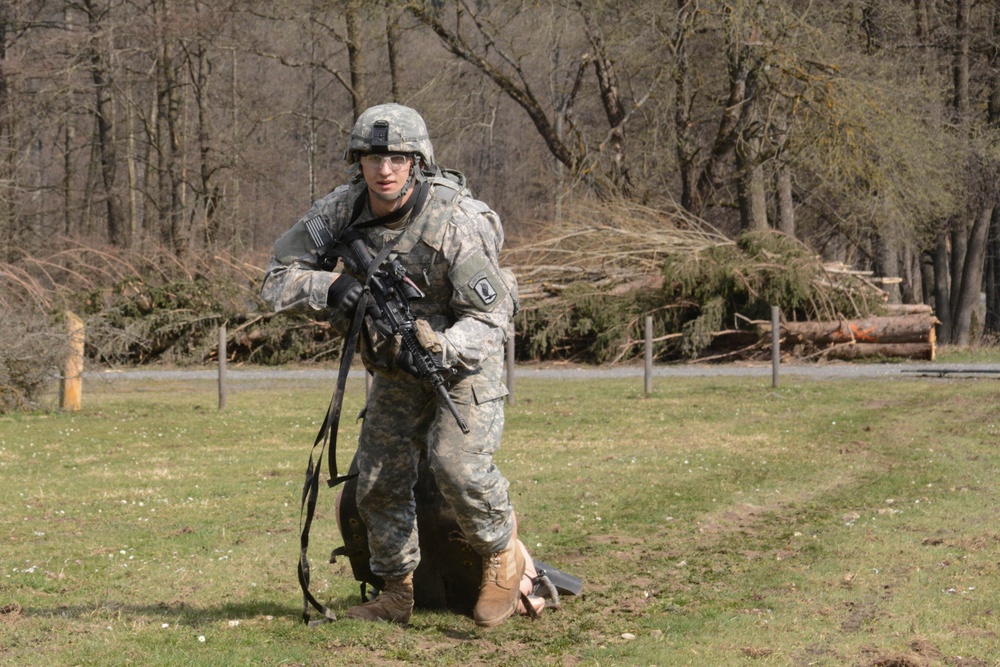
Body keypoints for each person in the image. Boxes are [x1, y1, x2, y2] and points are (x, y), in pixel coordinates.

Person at [260, 103, 523, 628]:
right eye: (373, 157)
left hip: (463, 362)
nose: (384, 169)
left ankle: (502, 555)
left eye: (397, 158)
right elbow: (274, 281)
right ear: (357, 161)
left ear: (417, 162)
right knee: (375, 481)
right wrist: (331, 285)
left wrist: (442, 346)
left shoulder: (455, 222)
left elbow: (493, 317)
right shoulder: (340, 211)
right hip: (395, 366)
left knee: (458, 467)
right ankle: (395, 591)